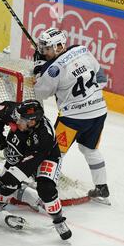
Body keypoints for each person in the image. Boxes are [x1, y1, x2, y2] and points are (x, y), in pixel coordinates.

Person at [33, 28, 110, 204]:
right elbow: (101, 78)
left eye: (46, 48)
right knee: (89, 149)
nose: (43, 52)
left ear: (58, 46)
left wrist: (39, 72)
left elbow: (40, 92)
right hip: (99, 111)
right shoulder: (82, 50)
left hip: (73, 118)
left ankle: (47, 191)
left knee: (54, 152)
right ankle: (102, 186)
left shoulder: (53, 69)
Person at [0, 99, 72, 240]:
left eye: (21, 120)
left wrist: (0, 182)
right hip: (23, 152)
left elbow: (26, 167)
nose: (17, 122)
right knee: (8, 187)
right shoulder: (17, 112)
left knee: (46, 189)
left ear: (32, 122)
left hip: (46, 157)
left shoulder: (45, 136)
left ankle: (58, 221)